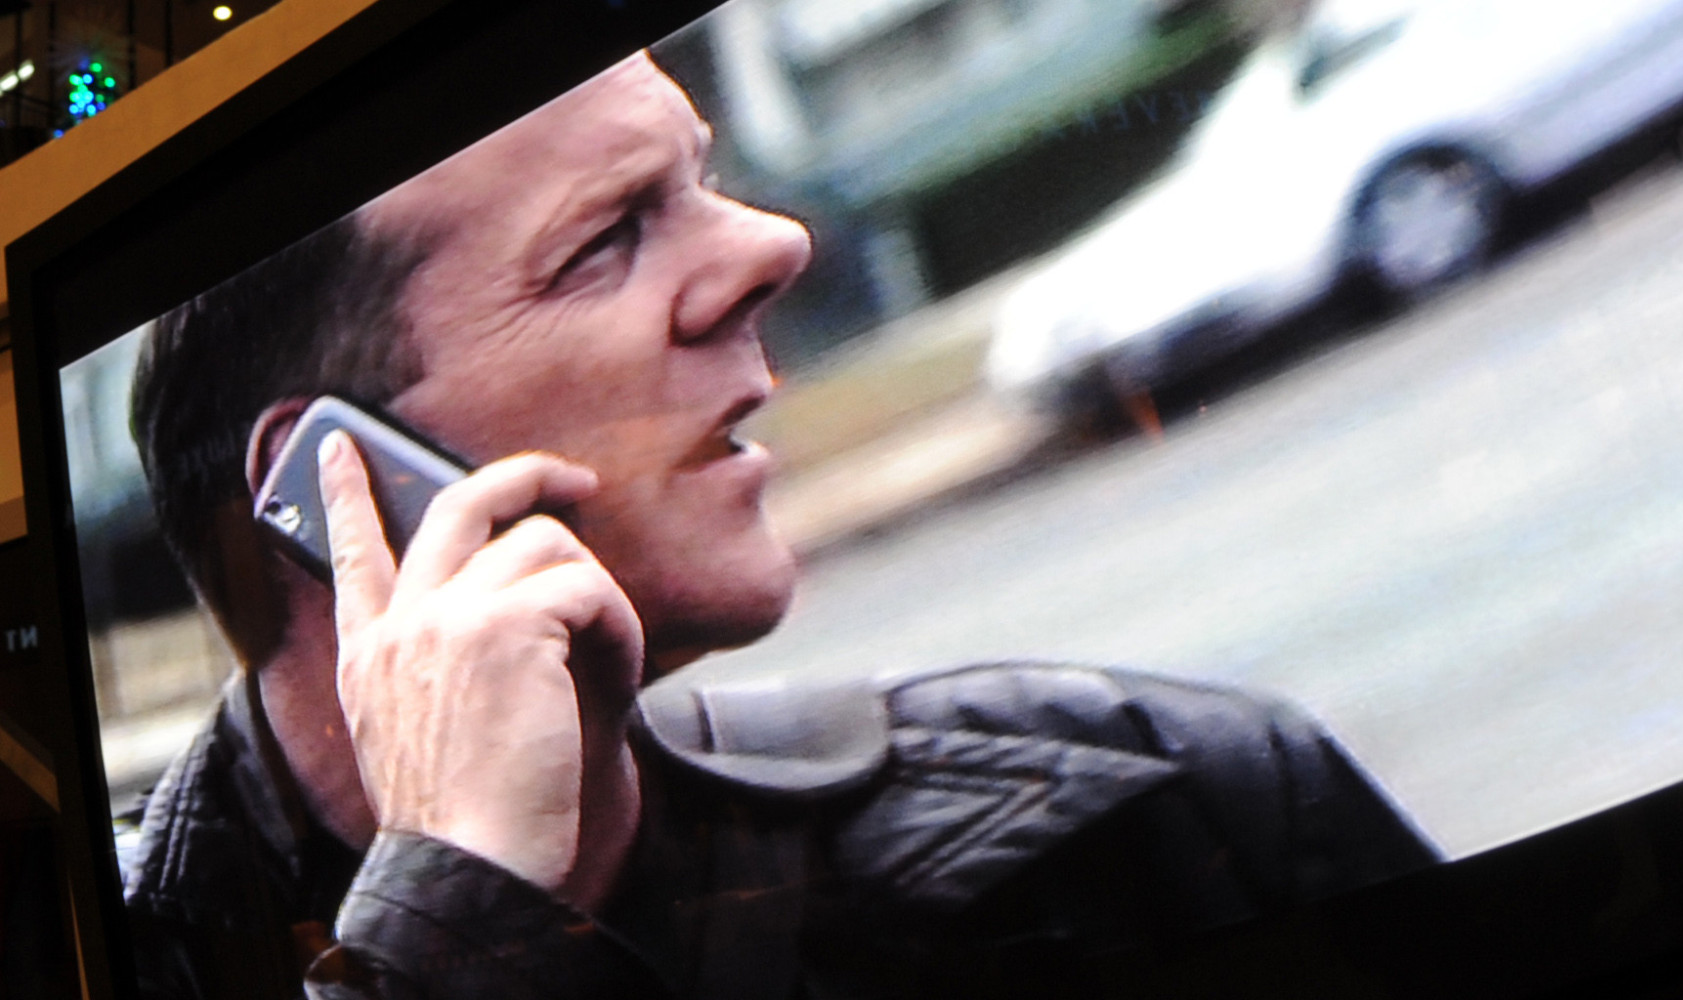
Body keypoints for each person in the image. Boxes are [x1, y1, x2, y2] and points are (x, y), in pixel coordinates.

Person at [120, 47, 1438, 1000]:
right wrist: (453, 913)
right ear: (337, 486)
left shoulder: (1177, 807)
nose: (772, 248)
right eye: (606, 238)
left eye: (702, 180)